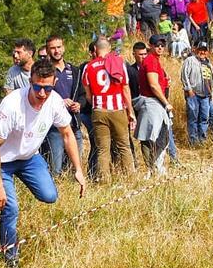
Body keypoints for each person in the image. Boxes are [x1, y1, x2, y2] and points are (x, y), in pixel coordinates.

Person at [0, 57, 86, 268]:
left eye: (47, 88)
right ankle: (11, 259)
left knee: (50, 196)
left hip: (27, 157)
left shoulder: (54, 101)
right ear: (30, 81)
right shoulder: (11, 105)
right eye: (37, 87)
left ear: (54, 83)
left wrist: (78, 169)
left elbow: (67, 134)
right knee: (11, 209)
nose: (42, 93)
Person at [82, 36, 135, 181]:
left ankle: (104, 180)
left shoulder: (88, 66)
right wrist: (130, 111)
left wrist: (97, 102)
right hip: (117, 109)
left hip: (99, 110)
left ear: (94, 49)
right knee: (124, 146)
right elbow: (125, 88)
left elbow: (87, 94)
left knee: (102, 149)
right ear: (109, 48)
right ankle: (131, 178)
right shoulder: (118, 62)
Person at [42, 35, 88, 176]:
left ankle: (73, 193)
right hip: (54, 128)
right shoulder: (44, 72)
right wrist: (60, 101)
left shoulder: (74, 70)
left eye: (59, 47)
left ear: (64, 47)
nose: (56, 51)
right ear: (48, 50)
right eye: (53, 48)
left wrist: (79, 104)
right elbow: (40, 96)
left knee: (74, 166)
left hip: (74, 124)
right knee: (55, 168)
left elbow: (83, 94)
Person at [135, 36, 174, 172]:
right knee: (149, 136)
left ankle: (156, 166)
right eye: (157, 45)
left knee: (161, 135)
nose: (160, 48)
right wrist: (166, 102)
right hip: (152, 102)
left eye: (162, 45)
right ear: (150, 46)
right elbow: (153, 85)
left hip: (156, 102)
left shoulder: (155, 61)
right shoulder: (150, 61)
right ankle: (151, 169)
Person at [181, 41, 213, 145]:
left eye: (205, 50)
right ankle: (193, 141)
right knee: (193, 118)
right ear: (196, 50)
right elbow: (184, 75)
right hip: (193, 94)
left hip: (206, 95)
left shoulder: (209, 64)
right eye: (201, 50)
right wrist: (188, 89)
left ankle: (202, 139)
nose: (202, 52)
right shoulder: (190, 60)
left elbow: (212, 80)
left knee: (204, 118)